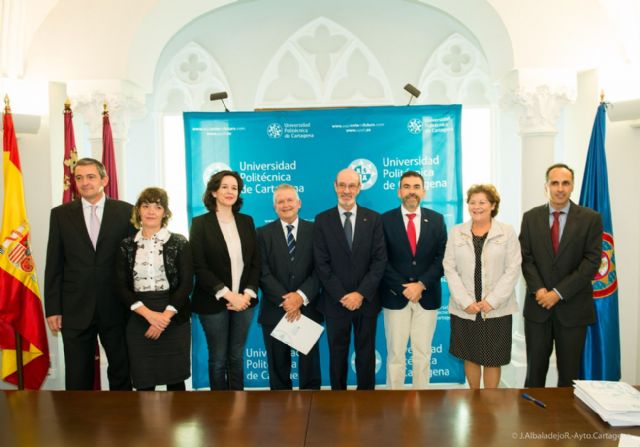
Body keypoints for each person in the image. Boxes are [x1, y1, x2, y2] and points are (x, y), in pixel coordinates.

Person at [44, 157, 133, 390]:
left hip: (116, 305)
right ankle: (77, 415)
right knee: (77, 374)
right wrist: (53, 308)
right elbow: (54, 264)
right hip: (75, 307)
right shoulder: (60, 215)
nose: (85, 182)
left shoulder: (126, 212)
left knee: (122, 369)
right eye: (79, 177)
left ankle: (123, 412)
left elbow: (133, 262)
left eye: (91, 177)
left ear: (104, 180)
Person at [520, 163, 602, 387]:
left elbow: (591, 262)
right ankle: (532, 410)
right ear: (546, 186)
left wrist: (557, 293)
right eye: (554, 183)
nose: (560, 188)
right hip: (538, 309)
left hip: (573, 309)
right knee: (534, 374)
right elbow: (526, 258)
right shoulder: (530, 218)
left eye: (565, 183)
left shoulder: (591, 218)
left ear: (572, 186)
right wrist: (540, 290)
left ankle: (566, 412)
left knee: (569, 375)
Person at [313, 168, 387, 390]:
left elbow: (379, 261)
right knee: (337, 355)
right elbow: (321, 264)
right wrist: (342, 295)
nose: (347, 190)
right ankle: (338, 399)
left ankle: (366, 400)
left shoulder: (373, 219)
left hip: (367, 301)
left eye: (352, 185)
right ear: (335, 186)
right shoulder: (322, 220)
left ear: (359, 188)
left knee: (366, 354)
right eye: (342, 185)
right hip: (335, 302)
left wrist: (360, 294)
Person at [443, 184, 521, 389]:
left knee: (493, 358)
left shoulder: (506, 232)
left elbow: (513, 268)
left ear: (493, 205)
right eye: (472, 202)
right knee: (470, 355)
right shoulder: (456, 232)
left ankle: (490, 400)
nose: (476, 207)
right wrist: (465, 301)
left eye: (482, 202)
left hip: (496, 308)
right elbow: (449, 267)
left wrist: (492, 301)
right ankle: (474, 398)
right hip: (466, 308)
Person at [116, 187, 193, 391]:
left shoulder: (179, 242)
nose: (151, 211)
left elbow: (186, 283)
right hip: (138, 316)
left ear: (165, 212)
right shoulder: (126, 245)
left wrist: (164, 318)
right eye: (146, 206)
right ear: (138, 210)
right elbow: (121, 285)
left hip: (174, 316)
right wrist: (149, 316)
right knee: (144, 381)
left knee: (176, 382)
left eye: (157, 207)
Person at [190, 170, 261, 390]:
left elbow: (255, 262)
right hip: (212, 301)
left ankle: (238, 403)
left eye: (234, 188)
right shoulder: (200, 223)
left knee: (236, 357)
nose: (230, 191)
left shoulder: (247, 221)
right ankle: (219, 406)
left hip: (245, 301)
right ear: (213, 192)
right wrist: (229, 295)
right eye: (224, 187)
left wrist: (246, 294)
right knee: (218, 359)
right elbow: (199, 266)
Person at [380, 170, 447, 389]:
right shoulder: (384, 220)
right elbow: (381, 259)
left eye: (416, 187)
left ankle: (421, 400)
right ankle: (395, 399)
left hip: (427, 296)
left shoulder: (437, 220)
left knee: (422, 354)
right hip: (395, 296)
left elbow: (442, 258)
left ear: (424, 192)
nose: (412, 191)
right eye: (407, 187)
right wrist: (404, 288)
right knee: (396, 354)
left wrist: (421, 285)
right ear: (399, 192)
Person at [257, 184, 322, 390]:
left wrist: (300, 297)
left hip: (307, 309)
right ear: (275, 207)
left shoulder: (316, 231)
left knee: (310, 371)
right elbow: (262, 272)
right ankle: (281, 407)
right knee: (278, 371)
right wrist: (286, 301)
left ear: (299, 203)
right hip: (275, 309)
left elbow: (321, 269)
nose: (285, 205)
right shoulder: (262, 233)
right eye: (280, 201)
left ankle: (312, 405)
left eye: (289, 200)